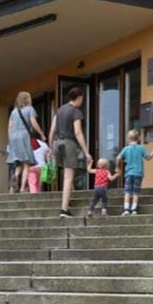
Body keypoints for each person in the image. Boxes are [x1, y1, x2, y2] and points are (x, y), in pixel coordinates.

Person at [48, 87, 93, 217]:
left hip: (57, 143)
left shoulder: (60, 110)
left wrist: (51, 148)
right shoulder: (76, 112)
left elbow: (52, 131)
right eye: (82, 99)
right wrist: (86, 152)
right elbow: (78, 132)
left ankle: (68, 200)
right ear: (79, 98)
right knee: (68, 176)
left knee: (65, 173)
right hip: (69, 143)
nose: (82, 101)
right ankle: (64, 209)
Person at [6, 91, 46, 193]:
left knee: (18, 163)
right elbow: (34, 123)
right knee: (26, 163)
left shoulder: (14, 111)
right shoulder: (30, 109)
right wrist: (41, 134)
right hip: (24, 136)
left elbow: (10, 126)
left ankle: (12, 183)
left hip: (14, 138)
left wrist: (10, 140)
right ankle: (23, 187)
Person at [115, 129, 153, 215]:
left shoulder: (126, 149)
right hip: (138, 173)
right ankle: (134, 209)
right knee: (136, 192)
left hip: (128, 173)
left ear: (128, 139)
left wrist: (117, 167)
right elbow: (148, 157)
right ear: (138, 139)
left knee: (127, 191)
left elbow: (118, 158)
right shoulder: (141, 148)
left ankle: (126, 209)